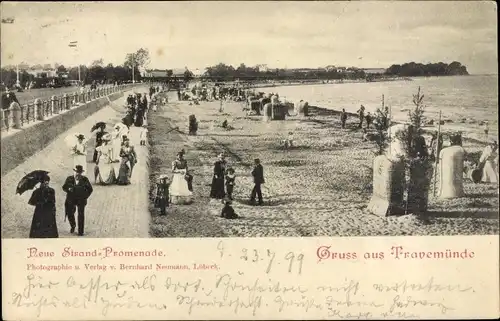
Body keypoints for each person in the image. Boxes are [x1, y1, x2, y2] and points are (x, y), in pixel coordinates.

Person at [62, 165, 93, 236]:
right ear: (74, 172)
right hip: (71, 199)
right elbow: (64, 187)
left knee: (81, 215)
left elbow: (90, 189)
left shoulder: (85, 179)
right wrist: (68, 189)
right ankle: (73, 225)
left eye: (79, 172)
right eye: (76, 172)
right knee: (70, 213)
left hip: (81, 200)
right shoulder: (69, 179)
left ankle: (80, 231)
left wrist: (85, 197)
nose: (77, 174)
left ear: (81, 173)